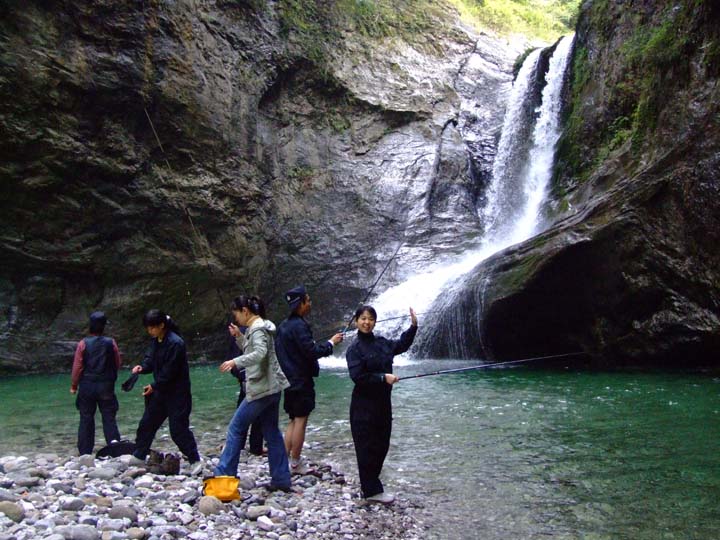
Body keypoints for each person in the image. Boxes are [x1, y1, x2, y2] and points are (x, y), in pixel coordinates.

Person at [215, 295, 291, 491]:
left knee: (235, 429)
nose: (236, 319)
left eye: (237, 314)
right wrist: (240, 338)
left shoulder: (256, 328)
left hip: (261, 389)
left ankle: (223, 482)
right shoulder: (262, 326)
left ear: (245, 311)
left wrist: (235, 361)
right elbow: (257, 349)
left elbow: (259, 353)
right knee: (272, 432)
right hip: (273, 387)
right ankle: (281, 480)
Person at [345, 305, 418, 504]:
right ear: (356, 321)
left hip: (383, 403)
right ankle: (371, 491)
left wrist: (413, 327)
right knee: (366, 447)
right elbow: (357, 377)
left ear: (375, 322)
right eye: (363, 319)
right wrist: (382, 378)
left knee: (382, 445)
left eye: (370, 319)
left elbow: (401, 345)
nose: (366, 322)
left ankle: (372, 485)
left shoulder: (382, 343)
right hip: (363, 405)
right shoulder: (354, 349)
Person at [275, 285, 343, 474]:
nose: (310, 303)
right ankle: (295, 463)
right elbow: (311, 352)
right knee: (301, 420)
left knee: (293, 420)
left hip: (288, 381)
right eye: (308, 300)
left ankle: (284, 461)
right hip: (301, 380)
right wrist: (331, 343)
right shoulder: (300, 326)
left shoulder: (283, 326)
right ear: (301, 303)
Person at [128, 309, 202, 475]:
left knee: (178, 430)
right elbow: (150, 359)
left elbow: (170, 371)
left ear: (161, 325)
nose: (150, 331)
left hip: (177, 394)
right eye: (148, 328)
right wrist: (142, 368)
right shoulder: (156, 340)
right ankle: (140, 454)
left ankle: (194, 459)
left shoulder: (176, 343)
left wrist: (154, 385)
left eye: (152, 327)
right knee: (147, 423)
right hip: (161, 392)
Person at [70, 311, 122, 455]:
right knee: (109, 416)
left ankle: (85, 451)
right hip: (106, 386)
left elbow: (77, 367)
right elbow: (117, 362)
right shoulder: (111, 342)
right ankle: (114, 447)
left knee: (86, 417)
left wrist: (74, 385)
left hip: (87, 386)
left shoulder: (83, 344)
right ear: (104, 327)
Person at [228, 331, 264, 456]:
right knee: (257, 415)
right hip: (251, 379)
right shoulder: (252, 331)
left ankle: (239, 445)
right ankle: (255, 447)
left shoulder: (245, 331)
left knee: (242, 414)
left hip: (246, 378)